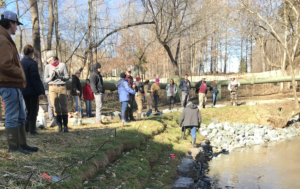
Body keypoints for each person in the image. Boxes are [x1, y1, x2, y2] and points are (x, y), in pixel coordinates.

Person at [0, 10, 38, 154]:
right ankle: (13, 147)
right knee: (12, 116)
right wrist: (21, 73)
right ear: (11, 23)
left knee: (21, 115)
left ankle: (22, 144)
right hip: (8, 84)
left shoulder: (6, 38)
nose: (17, 27)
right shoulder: (2, 40)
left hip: (13, 84)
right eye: (16, 24)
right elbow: (4, 64)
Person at [44, 51, 70, 132]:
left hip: (62, 86)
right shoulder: (47, 67)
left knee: (64, 107)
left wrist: (60, 77)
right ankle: (60, 127)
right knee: (56, 107)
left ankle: (65, 127)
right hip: (52, 88)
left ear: (54, 57)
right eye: (48, 58)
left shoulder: (62, 65)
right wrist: (51, 78)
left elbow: (67, 76)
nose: (49, 59)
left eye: (50, 57)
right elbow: (45, 79)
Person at [21, 44, 45, 135]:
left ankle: (26, 128)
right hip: (32, 91)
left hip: (24, 90)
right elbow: (35, 78)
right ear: (32, 53)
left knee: (28, 109)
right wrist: (40, 92)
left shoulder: (21, 63)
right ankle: (32, 130)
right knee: (33, 110)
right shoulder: (32, 63)